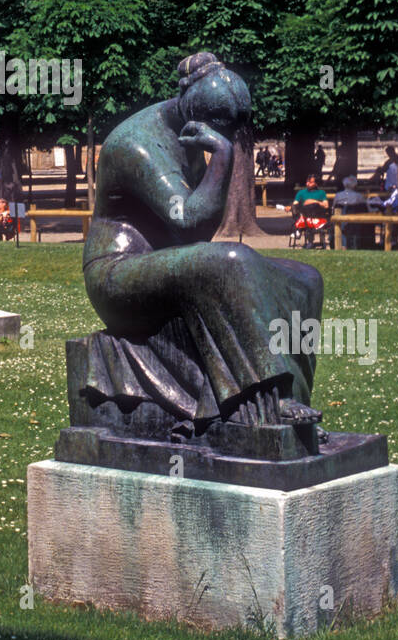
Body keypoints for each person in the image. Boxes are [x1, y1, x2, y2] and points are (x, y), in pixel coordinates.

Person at [80, 52, 323, 436]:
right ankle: (269, 401)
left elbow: (192, 234)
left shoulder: (192, 135)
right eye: (217, 129)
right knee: (230, 260)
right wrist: (223, 156)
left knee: (305, 278)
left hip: (165, 263)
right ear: (191, 108)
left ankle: (294, 401)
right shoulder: (136, 145)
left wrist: (217, 152)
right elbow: (190, 224)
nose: (221, 138)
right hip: (118, 275)